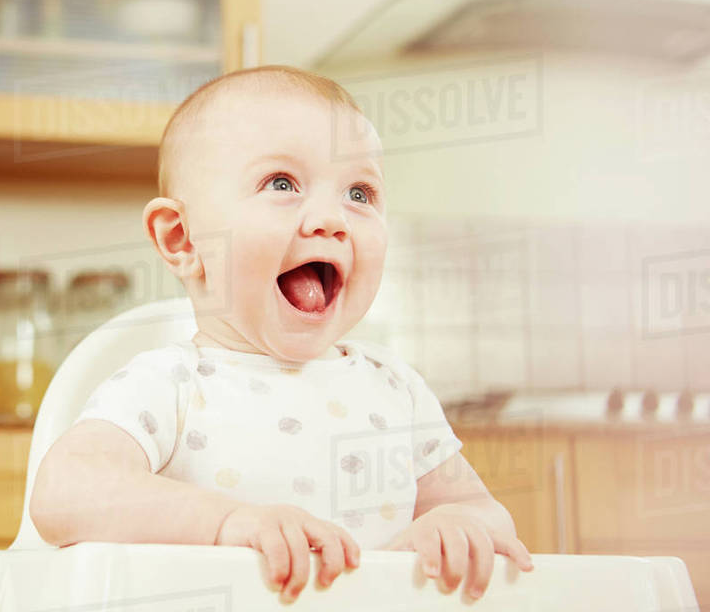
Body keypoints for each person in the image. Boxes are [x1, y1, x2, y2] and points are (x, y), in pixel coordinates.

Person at [28, 66, 534, 604]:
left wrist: (455, 523)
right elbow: (64, 492)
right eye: (282, 184)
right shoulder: (169, 385)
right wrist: (227, 524)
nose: (332, 219)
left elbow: (486, 512)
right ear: (183, 239)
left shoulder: (395, 389)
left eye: (359, 193)